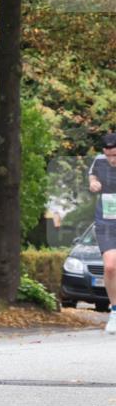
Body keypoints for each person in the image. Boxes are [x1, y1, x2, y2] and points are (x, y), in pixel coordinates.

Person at [88, 132, 116, 334]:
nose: (111, 159)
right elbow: (92, 176)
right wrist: (93, 183)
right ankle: (114, 312)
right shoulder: (99, 161)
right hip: (106, 222)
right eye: (108, 155)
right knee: (109, 267)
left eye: (115, 155)